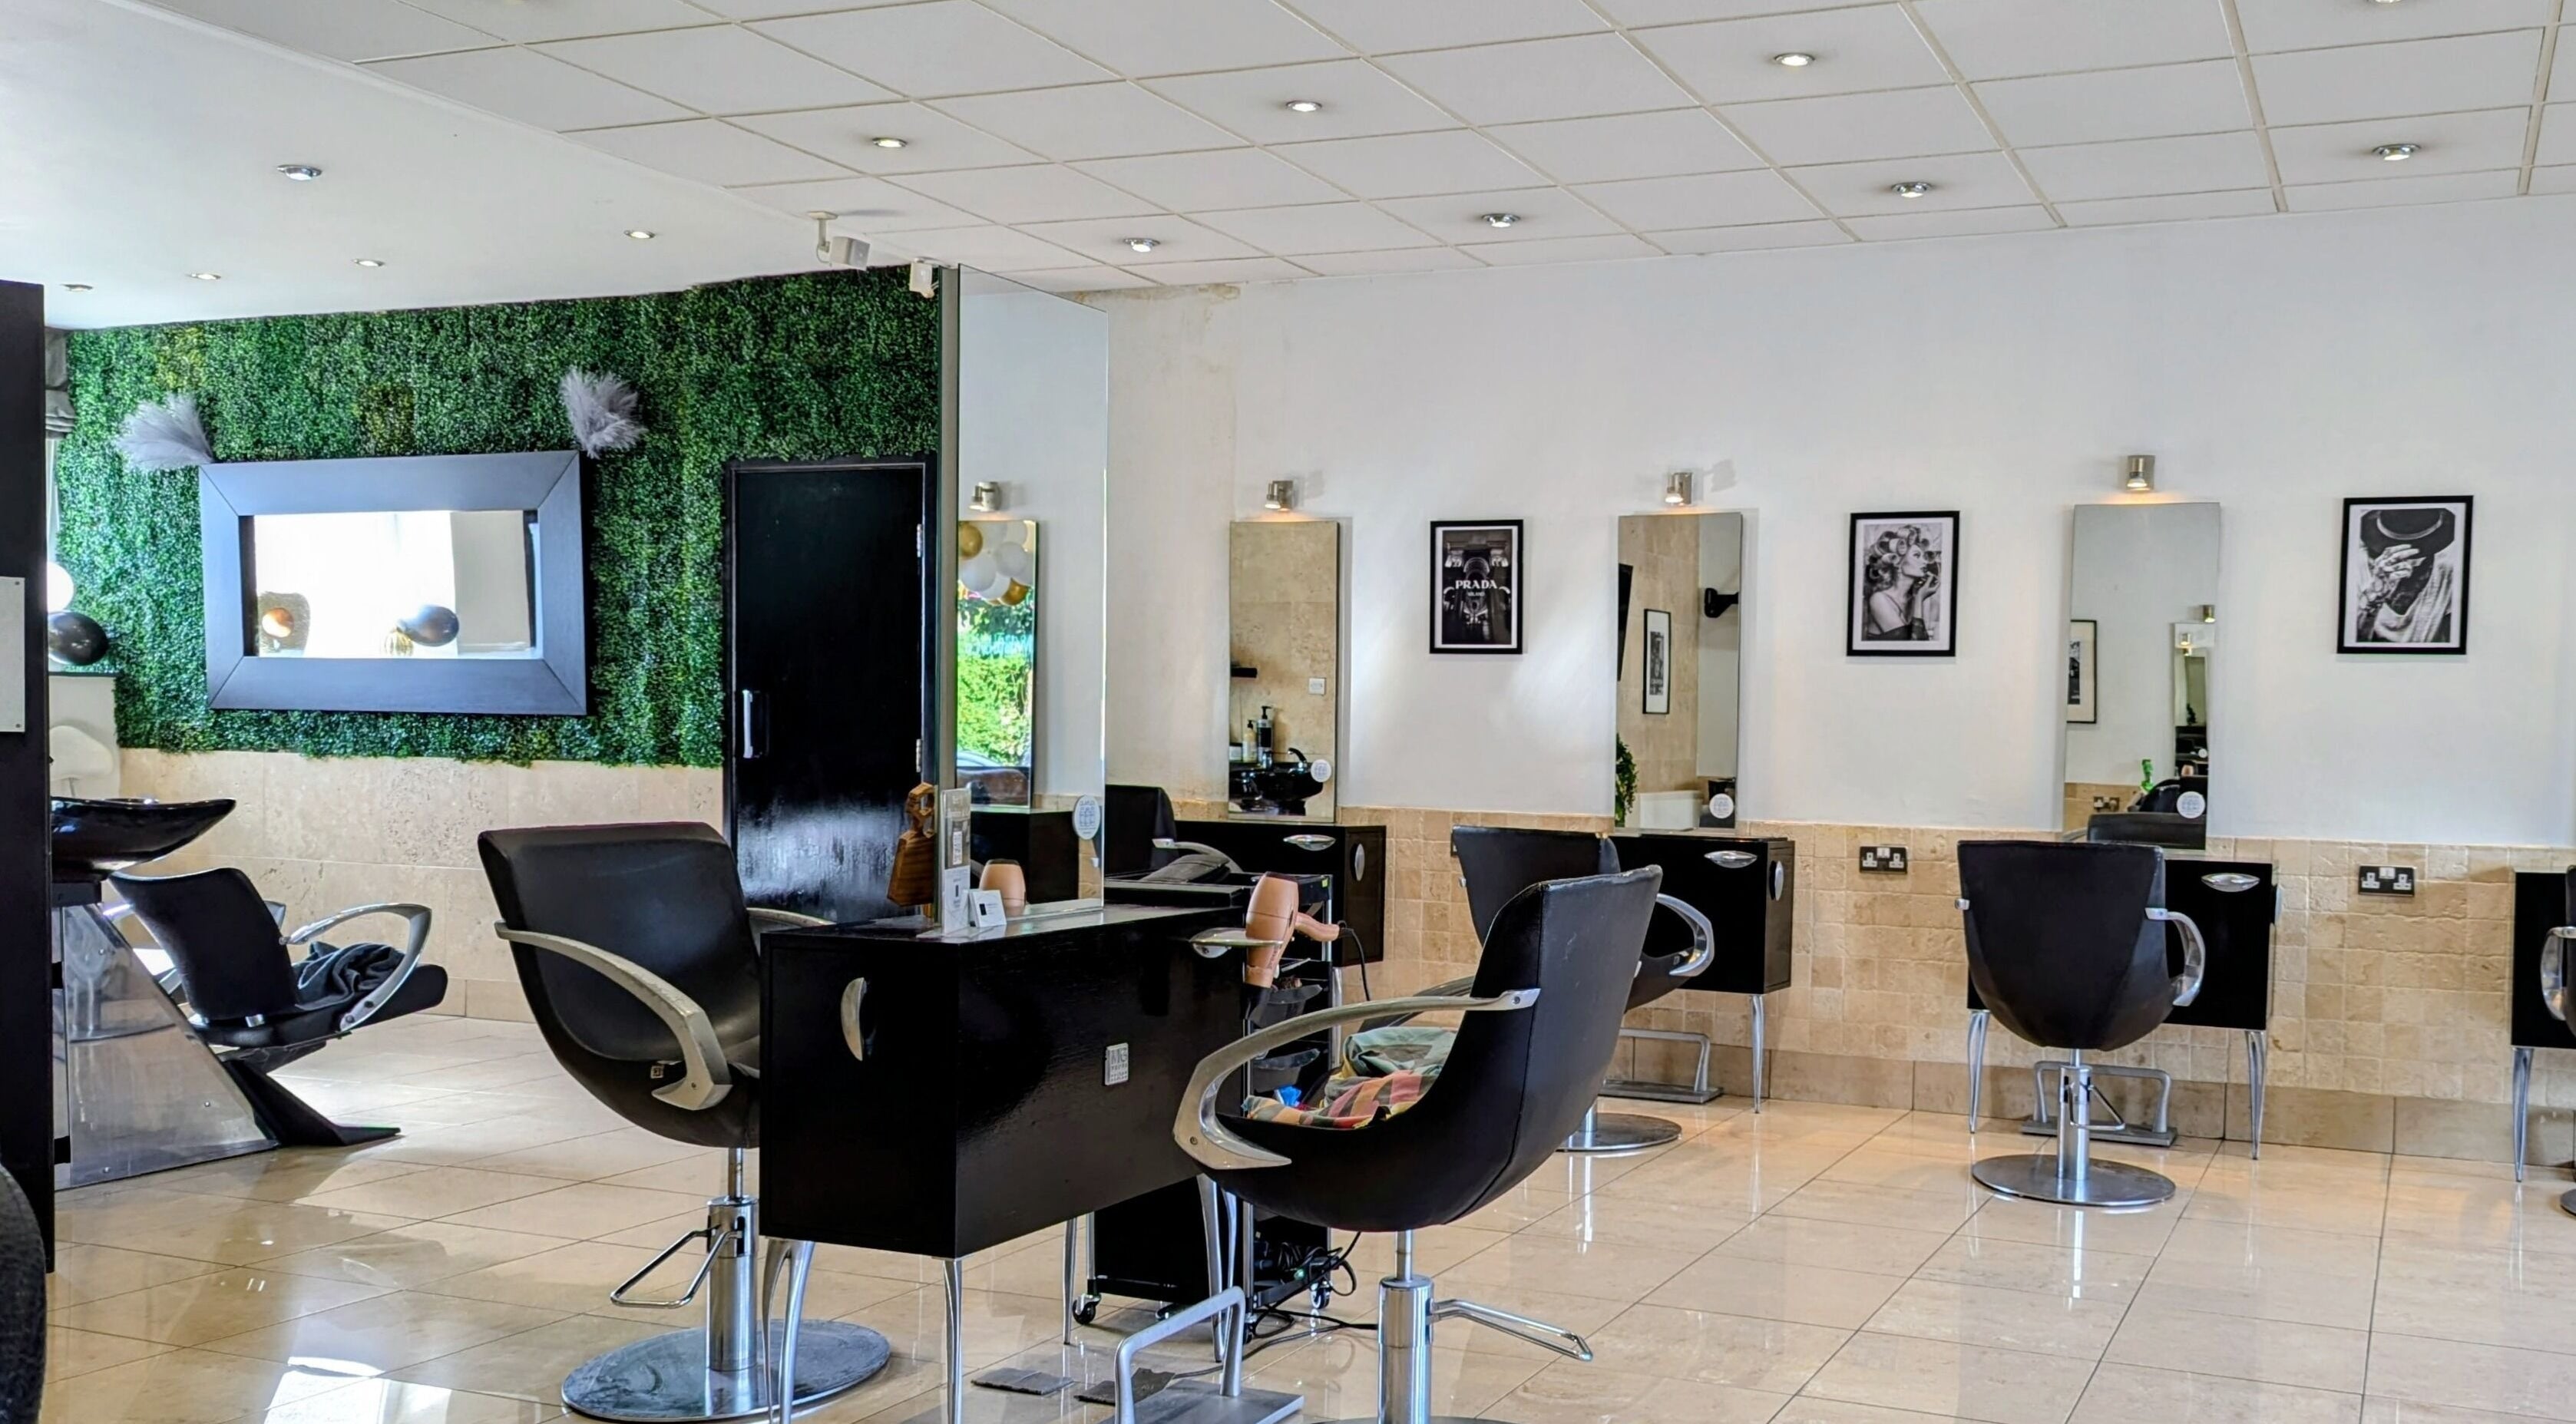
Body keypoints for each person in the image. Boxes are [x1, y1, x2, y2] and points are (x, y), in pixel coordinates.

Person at [2352, 506, 2457, 646]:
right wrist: (2374, 596)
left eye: (2421, 548)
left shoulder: (2448, 572)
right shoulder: (2356, 566)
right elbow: (2354, 644)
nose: (2408, 560)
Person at [1861, 524, 1940, 641]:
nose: (1925, 561)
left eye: (1924, 556)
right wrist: (1919, 600)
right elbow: (1914, 650)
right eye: (1917, 556)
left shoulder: (1911, 597)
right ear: (1897, 562)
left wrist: (1918, 598)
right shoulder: (1879, 599)